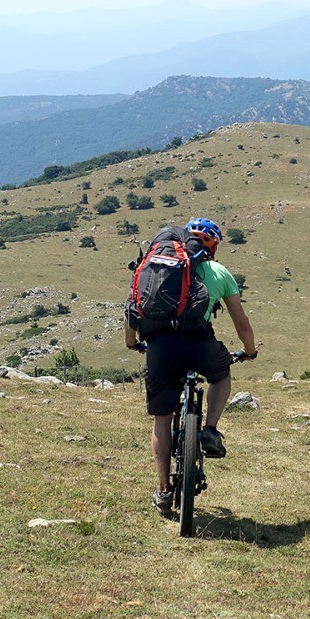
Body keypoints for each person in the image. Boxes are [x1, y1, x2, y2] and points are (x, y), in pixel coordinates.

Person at [126, 216, 257, 511]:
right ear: (214, 245)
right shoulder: (218, 271)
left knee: (162, 420)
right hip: (199, 343)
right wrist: (249, 351)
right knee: (221, 374)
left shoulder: (155, 266)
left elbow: (131, 308)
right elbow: (241, 322)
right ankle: (210, 428)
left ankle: (163, 490)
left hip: (160, 347)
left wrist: (132, 343)